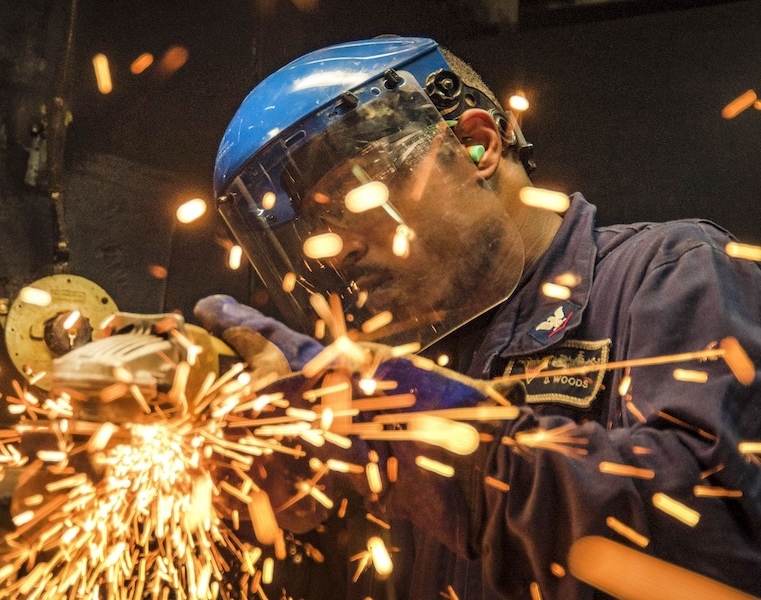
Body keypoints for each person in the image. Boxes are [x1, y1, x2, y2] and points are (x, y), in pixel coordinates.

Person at [194, 36, 761, 599]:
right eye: (317, 225)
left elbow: (715, 537)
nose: (334, 248)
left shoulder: (666, 274)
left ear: (477, 145)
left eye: (352, 194)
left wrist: (397, 426)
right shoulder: (417, 364)